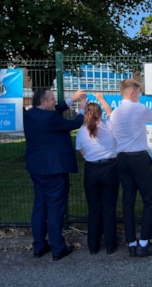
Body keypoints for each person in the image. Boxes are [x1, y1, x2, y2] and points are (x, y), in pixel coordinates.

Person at [24, 88, 86, 261]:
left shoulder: (30, 115)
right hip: (54, 170)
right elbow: (73, 124)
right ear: (43, 102)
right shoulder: (51, 118)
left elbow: (55, 110)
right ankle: (58, 248)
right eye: (52, 99)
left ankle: (39, 246)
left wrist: (70, 100)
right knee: (55, 209)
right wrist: (81, 108)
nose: (54, 102)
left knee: (39, 207)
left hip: (36, 169)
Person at [110, 79, 152, 257]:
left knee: (128, 200)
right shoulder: (139, 109)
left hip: (122, 159)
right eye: (139, 92)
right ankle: (144, 242)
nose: (140, 95)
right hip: (138, 159)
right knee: (149, 199)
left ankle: (132, 243)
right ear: (131, 92)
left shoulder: (115, 114)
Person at [75, 93, 120, 255]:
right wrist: (101, 98)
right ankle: (110, 245)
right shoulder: (109, 126)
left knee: (94, 209)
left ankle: (93, 245)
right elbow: (112, 114)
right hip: (110, 169)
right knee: (109, 208)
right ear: (100, 114)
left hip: (92, 170)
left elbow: (82, 152)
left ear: (86, 114)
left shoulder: (81, 131)